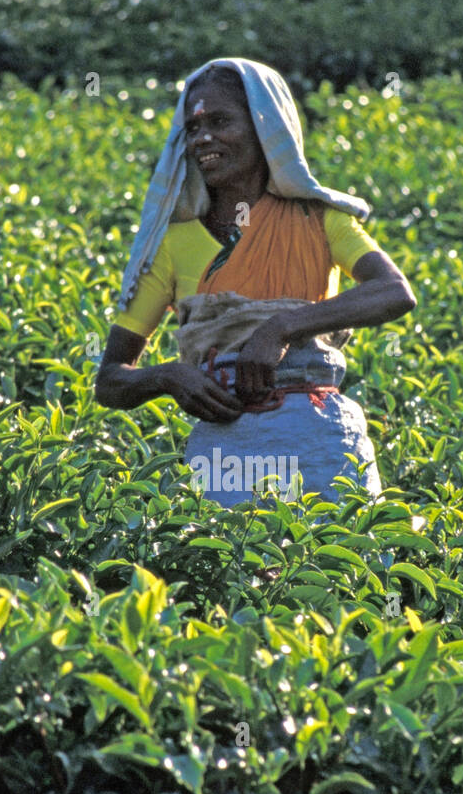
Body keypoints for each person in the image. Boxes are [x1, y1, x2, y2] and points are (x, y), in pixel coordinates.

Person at [94, 57, 415, 506]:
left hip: (320, 448)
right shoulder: (174, 242)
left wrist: (281, 328)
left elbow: (394, 292)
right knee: (226, 563)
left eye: (220, 121)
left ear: (265, 127)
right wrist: (168, 377)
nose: (203, 137)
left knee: (336, 564)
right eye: (193, 127)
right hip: (225, 458)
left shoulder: (319, 221)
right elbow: (109, 381)